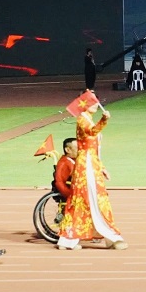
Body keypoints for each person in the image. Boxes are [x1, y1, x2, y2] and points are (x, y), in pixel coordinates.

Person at [56, 94, 127, 251]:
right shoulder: (82, 119)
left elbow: (94, 150)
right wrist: (104, 120)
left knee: (99, 199)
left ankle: (110, 237)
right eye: (93, 102)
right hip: (85, 166)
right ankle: (69, 240)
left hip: (91, 164)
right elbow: (91, 131)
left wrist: (101, 167)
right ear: (85, 105)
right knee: (84, 199)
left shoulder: (88, 118)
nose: (96, 104)